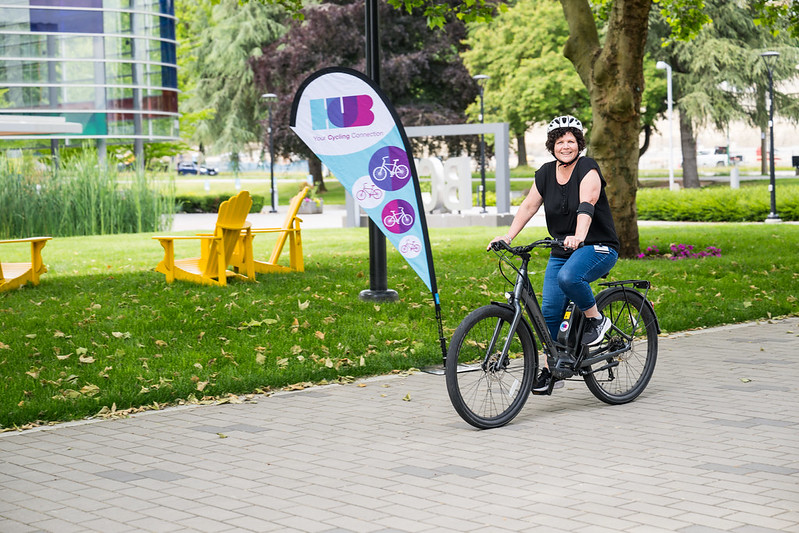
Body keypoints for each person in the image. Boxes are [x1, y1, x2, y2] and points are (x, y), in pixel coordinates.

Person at [488, 115, 619, 393]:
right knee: (548, 314)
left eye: (571, 141)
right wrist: (508, 236)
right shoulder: (546, 173)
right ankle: (552, 370)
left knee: (570, 277)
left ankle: (597, 320)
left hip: (597, 245)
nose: (566, 146)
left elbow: (588, 203)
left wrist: (580, 235)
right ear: (552, 145)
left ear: (579, 144)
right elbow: (528, 207)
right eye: (560, 141)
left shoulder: (588, 168)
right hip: (562, 249)